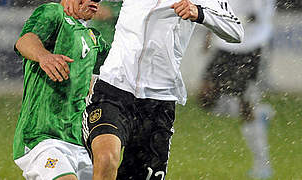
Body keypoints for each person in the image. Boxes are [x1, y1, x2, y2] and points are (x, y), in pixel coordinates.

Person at [64, 0, 244, 179]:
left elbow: (236, 31)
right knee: (106, 158)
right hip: (114, 88)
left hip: (158, 103)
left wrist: (199, 12)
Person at [12, 0, 110, 179]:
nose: (96, 1)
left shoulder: (94, 38)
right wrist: (44, 57)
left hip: (80, 143)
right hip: (42, 138)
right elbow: (24, 41)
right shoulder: (54, 12)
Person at [197, 0, 275, 178]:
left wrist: (228, 20)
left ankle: (262, 165)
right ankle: (260, 113)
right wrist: (210, 31)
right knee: (205, 98)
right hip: (225, 45)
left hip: (250, 46)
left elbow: (256, 15)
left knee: (246, 106)